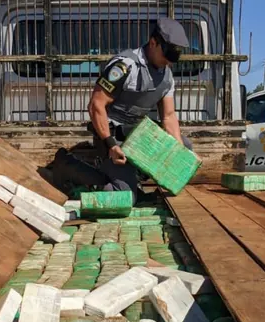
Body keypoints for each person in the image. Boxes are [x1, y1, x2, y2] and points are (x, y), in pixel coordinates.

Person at [49, 17, 193, 204]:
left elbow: (169, 116)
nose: (169, 62)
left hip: (136, 135)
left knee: (185, 147)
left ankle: (131, 179)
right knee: (125, 197)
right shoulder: (125, 66)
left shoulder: (166, 75)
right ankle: (68, 166)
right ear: (153, 43)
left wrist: (179, 152)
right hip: (111, 136)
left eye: (174, 56)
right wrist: (110, 145)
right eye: (166, 54)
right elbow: (96, 105)